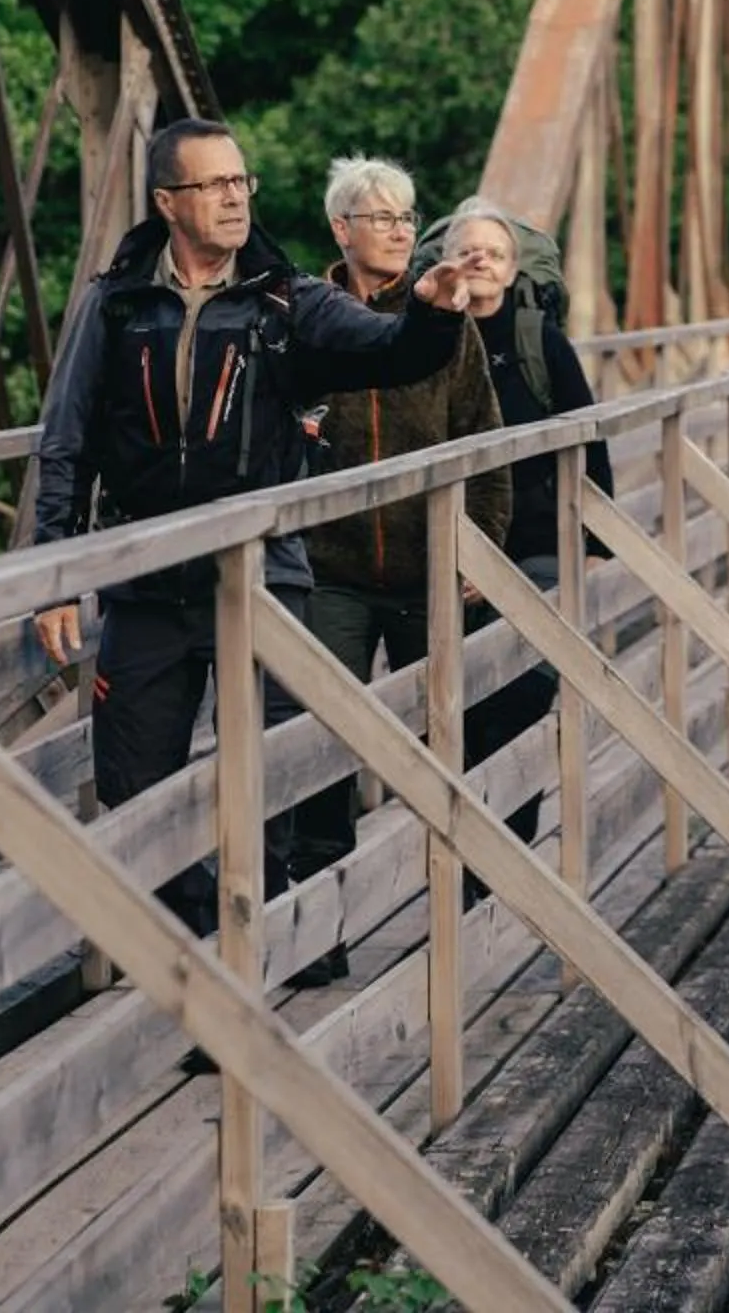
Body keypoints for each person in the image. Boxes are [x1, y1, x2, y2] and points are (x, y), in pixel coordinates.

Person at [29, 119, 476, 936]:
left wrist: (431, 314)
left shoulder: (284, 299)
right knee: (134, 802)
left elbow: (387, 352)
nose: (235, 197)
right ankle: (201, 941)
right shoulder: (116, 303)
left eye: (243, 182)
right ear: (169, 202)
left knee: (268, 793)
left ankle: (250, 974)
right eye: (214, 185)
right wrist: (52, 575)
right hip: (146, 581)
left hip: (262, 583)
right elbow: (66, 439)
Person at [295, 158, 512, 934]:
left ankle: (464, 910)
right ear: (340, 229)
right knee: (319, 747)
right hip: (331, 570)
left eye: (408, 219)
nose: (399, 232)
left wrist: (479, 548)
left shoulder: (445, 323)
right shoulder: (305, 318)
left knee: (446, 741)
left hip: (428, 571)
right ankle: (319, 930)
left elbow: (484, 442)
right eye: (382, 218)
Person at [440, 199, 613, 874]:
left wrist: (598, 541)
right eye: (470, 247)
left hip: (535, 545)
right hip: (450, 550)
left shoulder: (540, 339)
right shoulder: (427, 336)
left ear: (514, 273)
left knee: (519, 694)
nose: (482, 258)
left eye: (497, 252)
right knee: (463, 719)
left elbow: (585, 435)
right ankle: (473, 874)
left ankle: (508, 860)